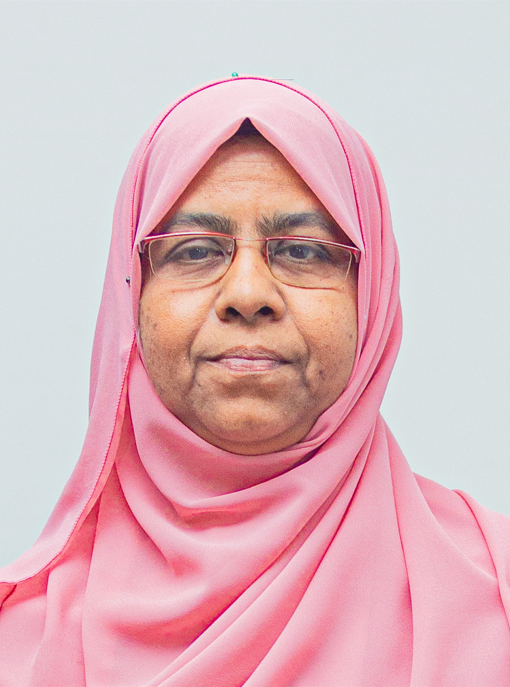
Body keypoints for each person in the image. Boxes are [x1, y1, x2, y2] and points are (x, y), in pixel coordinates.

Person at [0, 76, 509, 686]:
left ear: (371, 294)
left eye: (304, 251)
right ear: (131, 290)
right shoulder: (21, 642)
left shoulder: (496, 595)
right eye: (194, 250)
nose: (246, 294)